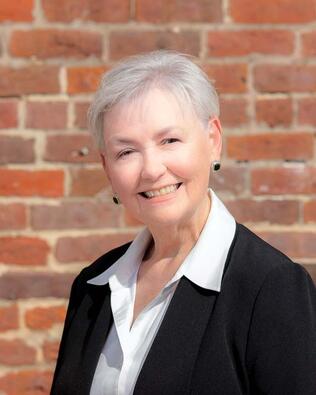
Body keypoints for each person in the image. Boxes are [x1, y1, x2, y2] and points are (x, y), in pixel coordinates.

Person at [51, 50, 316, 395]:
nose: (151, 169)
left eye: (169, 141)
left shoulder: (270, 288)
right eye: (126, 152)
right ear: (107, 168)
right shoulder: (93, 287)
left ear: (213, 140)